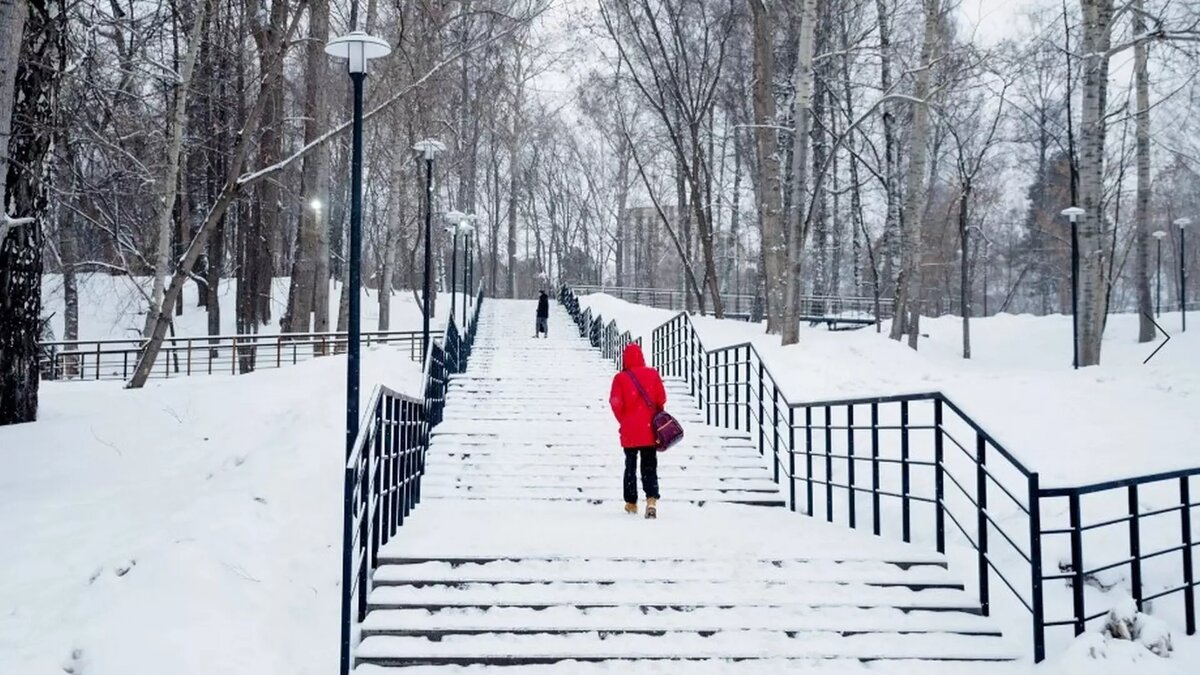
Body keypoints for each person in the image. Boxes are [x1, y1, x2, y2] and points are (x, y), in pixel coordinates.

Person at [609, 343, 667, 519]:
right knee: (649, 466)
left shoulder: (621, 378)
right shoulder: (653, 374)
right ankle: (651, 500)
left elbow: (615, 403)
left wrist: (625, 420)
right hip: (649, 430)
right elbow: (661, 398)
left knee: (630, 466)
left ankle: (631, 503)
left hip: (630, 431)